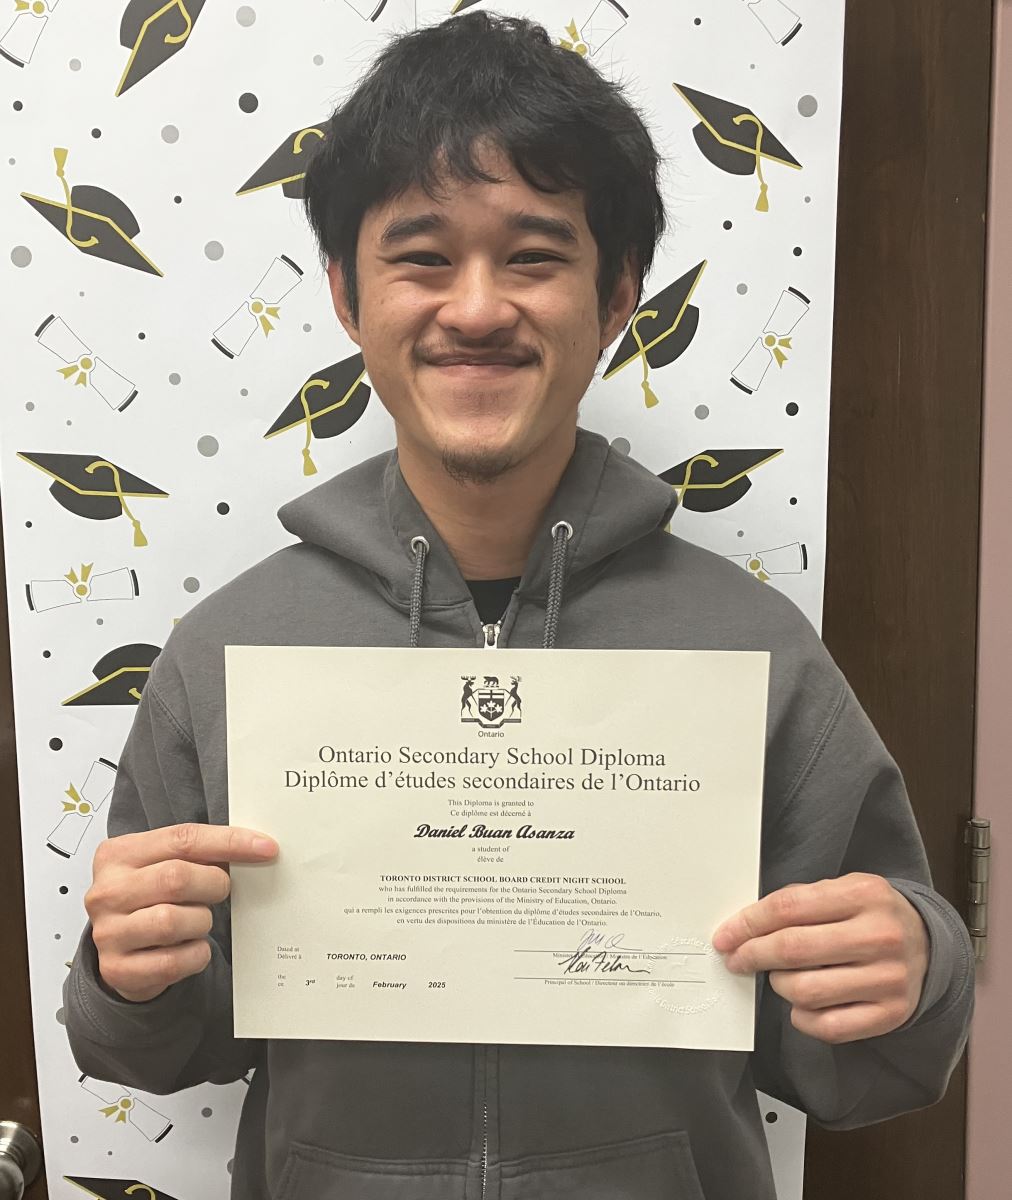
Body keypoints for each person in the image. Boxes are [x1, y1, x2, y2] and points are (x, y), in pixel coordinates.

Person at [63, 13, 974, 1199]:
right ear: (346, 295)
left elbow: (862, 1068)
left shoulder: (751, 650)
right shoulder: (227, 650)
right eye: (422, 257)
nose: (478, 308)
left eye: (536, 255)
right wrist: (126, 973)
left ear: (619, 297)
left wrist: (917, 961)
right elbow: (160, 1049)